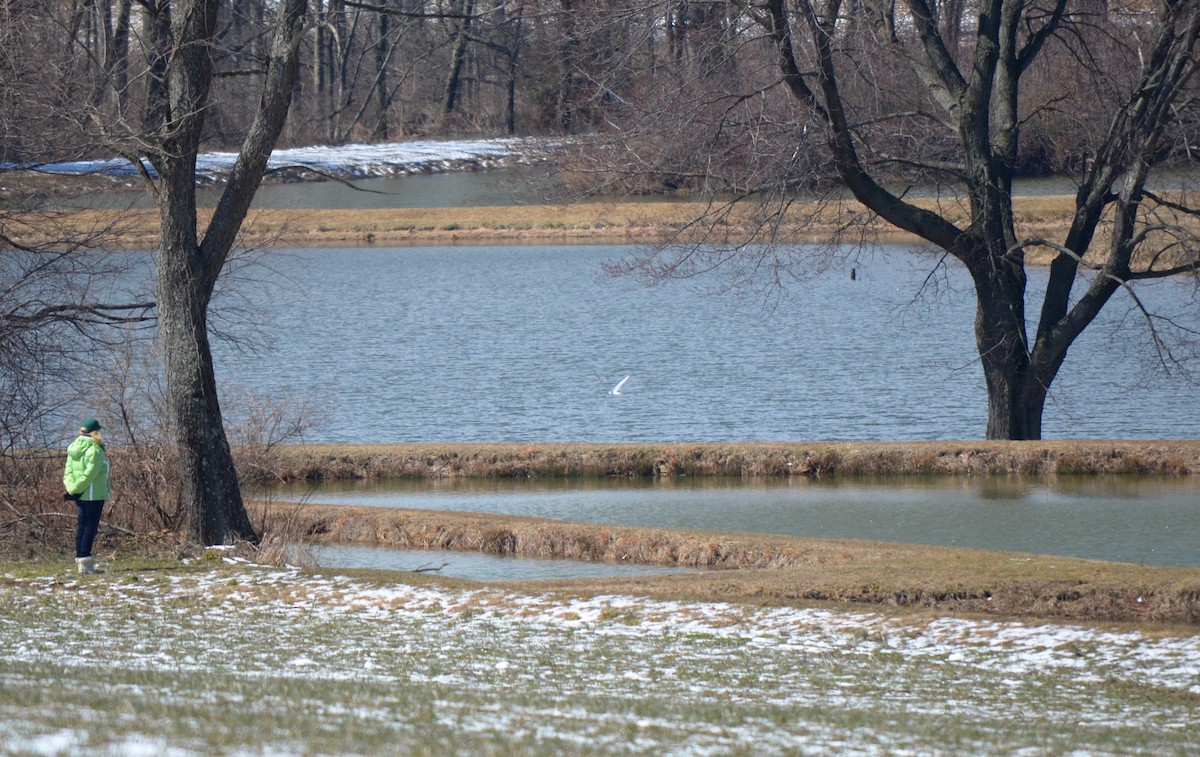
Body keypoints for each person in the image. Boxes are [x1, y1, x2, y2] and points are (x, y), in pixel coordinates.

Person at [62, 418, 111, 575]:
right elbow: (90, 474)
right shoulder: (95, 450)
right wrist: (77, 489)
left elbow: (68, 472)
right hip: (93, 495)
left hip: (80, 494)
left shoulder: (73, 447)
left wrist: (73, 489)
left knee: (82, 527)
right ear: (95, 432)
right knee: (90, 528)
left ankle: (82, 562)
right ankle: (85, 564)